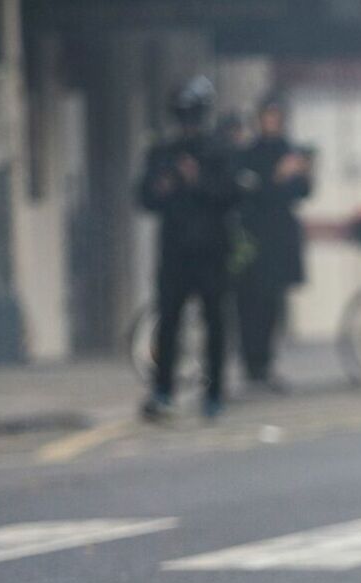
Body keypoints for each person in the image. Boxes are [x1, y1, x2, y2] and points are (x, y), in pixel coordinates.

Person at [138, 76, 240, 422]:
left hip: (211, 252)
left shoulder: (219, 151)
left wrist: (197, 180)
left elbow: (231, 195)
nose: (188, 125)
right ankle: (162, 390)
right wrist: (164, 185)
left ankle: (214, 394)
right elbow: (143, 197)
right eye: (183, 117)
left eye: (192, 117)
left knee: (214, 323)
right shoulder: (162, 153)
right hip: (175, 252)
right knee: (168, 323)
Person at [232, 98, 314, 394]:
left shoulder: (289, 151)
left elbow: (302, 191)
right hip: (252, 239)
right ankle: (250, 364)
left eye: (275, 116)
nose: (271, 122)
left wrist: (301, 172)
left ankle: (265, 364)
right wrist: (277, 178)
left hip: (278, 240)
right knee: (248, 304)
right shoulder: (248, 154)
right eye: (267, 116)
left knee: (271, 304)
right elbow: (248, 192)